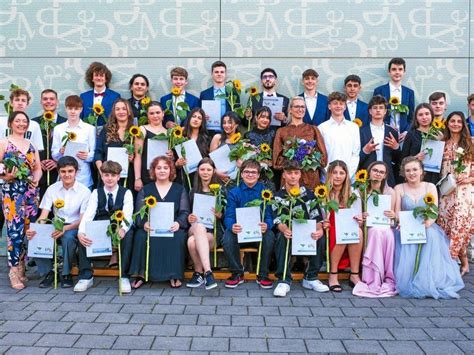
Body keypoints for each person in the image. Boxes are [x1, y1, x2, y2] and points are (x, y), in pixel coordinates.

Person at [393, 157, 464, 299]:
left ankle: (428, 278)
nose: (411, 173)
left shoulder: (429, 186)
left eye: (415, 169)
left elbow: (433, 211)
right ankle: (409, 276)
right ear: (403, 172)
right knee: (401, 236)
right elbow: (396, 212)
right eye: (408, 170)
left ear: (421, 171)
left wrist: (427, 224)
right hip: (406, 226)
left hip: (426, 225)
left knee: (431, 235)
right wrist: (402, 223)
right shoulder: (399, 188)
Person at [26, 156, 90, 288]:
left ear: (76, 172)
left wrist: (65, 229)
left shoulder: (84, 191)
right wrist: (36, 229)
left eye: (70, 171)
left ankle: (66, 274)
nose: (67, 175)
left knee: (68, 238)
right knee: (33, 237)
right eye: (63, 171)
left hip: (74, 225)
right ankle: (49, 272)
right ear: (59, 172)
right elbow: (43, 216)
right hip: (55, 224)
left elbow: (82, 220)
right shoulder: (52, 189)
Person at [129, 156, 190, 288]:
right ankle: (141, 274)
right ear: (153, 171)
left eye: (165, 168)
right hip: (151, 227)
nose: (162, 171)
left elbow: (185, 212)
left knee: (178, 236)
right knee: (140, 236)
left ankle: (174, 274)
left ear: (171, 170)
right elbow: (138, 212)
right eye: (159, 168)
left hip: (171, 226)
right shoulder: (146, 189)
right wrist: (144, 223)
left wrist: (178, 223)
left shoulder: (179, 189)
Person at [273, 161, 329, 297]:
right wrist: (284, 229)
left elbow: (316, 217)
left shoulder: (309, 195)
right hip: (289, 233)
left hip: (306, 233)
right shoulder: (278, 196)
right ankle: (284, 280)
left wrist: (319, 230)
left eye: (296, 173)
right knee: (281, 237)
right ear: (284, 175)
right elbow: (277, 219)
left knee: (320, 236)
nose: (293, 176)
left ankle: (311, 277)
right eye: (289, 173)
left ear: (300, 175)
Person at [76, 161, 134, 292]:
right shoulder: (96, 193)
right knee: (83, 234)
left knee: (129, 235)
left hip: (119, 225)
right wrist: (81, 231)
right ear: (101, 176)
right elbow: (89, 214)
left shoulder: (126, 193)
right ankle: (86, 276)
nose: (109, 178)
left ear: (119, 177)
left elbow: (128, 214)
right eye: (106, 175)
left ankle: (124, 276)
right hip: (101, 225)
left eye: (113, 175)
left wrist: (123, 229)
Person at [0, 111, 42, 289]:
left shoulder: (31, 144)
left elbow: (38, 168)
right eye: (17, 121)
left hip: (30, 193)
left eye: (24, 121)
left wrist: (36, 179)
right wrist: (6, 176)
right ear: (10, 123)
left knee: (27, 229)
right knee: (14, 231)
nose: (21, 124)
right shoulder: (4, 143)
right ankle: (13, 270)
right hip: (11, 192)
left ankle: (22, 266)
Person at [222, 159, 275, 288]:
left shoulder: (265, 193)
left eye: (253, 172)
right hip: (240, 231)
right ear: (241, 174)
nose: (250, 175)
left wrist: (267, 224)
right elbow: (229, 215)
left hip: (259, 231)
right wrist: (232, 225)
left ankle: (263, 274)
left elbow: (269, 215)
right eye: (246, 172)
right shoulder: (234, 192)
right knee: (227, 238)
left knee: (270, 236)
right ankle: (237, 273)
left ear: (258, 175)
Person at [353, 161, 398, 298]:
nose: (378, 174)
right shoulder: (360, 190)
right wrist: (361, 216)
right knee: (376, 232)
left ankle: (386, 275)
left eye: (381, 172)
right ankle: (373, 276)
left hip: (385, 226)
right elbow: (355, 214)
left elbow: (395, 217)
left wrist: (393, 215)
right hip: (368, 226)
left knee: (388, 234)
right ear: (369, 172)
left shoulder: (390, 192)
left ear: (385, 176)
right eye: (375, 170)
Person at [437, 112, 473, 276]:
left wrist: (468, 178)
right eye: (452, 121)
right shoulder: (442, 143)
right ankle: (464, 264)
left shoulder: (470, 144)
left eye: (459, 121)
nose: (456, 124)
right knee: (448, 228)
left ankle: (450, 265)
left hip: (465, 193)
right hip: (446, 193)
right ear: (447, 123)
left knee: (460, 227)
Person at [273, 97, 327, 190]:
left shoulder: (313, 129)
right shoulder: (281, 131)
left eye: (302, 107)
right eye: (297, 106)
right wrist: (294, 156)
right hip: (290, 177)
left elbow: (323, 157)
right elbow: (276, 160)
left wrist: (309, 155)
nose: (300, 109)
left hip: (310, 177)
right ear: (290, 110)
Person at [325, 160, 363, 293]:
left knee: (357, 232)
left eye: (342, 173)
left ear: (346, 175)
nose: (338, 176)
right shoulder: (323, 192)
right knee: (344, 232)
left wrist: (359, 219)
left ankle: (354, 274)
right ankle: (333, 275)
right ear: (329, 174)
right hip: (329, 227)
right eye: (334, 172)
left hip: (348, 225)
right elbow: (320, 216)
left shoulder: (353, 193)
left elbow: (358, 215)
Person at [186, 158, 221, 290]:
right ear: (198, 171)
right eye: (202, 169)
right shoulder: (192, 191)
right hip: (194, 227)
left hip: (212, 232)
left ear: (213, 172)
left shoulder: (220, 191)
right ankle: (208, 272)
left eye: (208, 170)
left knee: (191, 242)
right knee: (199, 226)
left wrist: (219, 215)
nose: (205, 172)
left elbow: (227, 215)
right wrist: (189, 217)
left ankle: (198, 273)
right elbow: (187, 214)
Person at [51, 95, 96, 189]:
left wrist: (87, 156)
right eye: (70, 108)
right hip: (64, 179)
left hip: (83, 178)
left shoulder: (89, 129)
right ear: (66, 109)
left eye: (76, 108)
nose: (73, 111)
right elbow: (54, 155)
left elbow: (94, 153)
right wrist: (60, 152)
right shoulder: (58, 129)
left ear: (81, 109)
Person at [32, 89, 68, 196]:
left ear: (57, 102)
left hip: (59, 174)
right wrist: (37, 163)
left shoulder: (65, 123)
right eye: (45, 99)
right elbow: (28, 146)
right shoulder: (33, 123)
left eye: (52, 99)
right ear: (41, 102)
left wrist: (58, 163)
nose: (48, 101)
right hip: (39, 175)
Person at [359, 95, 400, 187]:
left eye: (381, 108)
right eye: (375, 108)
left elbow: (397, 160)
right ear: (370, 111)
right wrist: (365, 151)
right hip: (366, 175)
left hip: (387, 176)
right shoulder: (360, 131)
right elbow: (355, 158)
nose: (378, 110)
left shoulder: (392, 132)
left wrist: (396, 147)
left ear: (385, 111)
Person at [94, 99, 135, 190]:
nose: (121, 112)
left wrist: (132, 158)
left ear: (129, 112)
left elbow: (140, 155)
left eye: (124, 109)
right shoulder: (106, 130)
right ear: (114, 112)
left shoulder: (135, 131)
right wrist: (102, 172)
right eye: (117, 109)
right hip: (108, 178)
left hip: (128, 178)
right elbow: (98, 153)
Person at [318, 92, 360, 179]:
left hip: (348, 176)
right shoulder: (322, 128)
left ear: (345, 107)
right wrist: (329, 173)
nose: (338, 106)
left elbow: (355, 154)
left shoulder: (353, 127)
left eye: (341, 104)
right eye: (335, 103)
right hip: (326, 177)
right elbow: (319, 154)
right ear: (329, 106)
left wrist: (347, 174)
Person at [373, 57, 415, 141]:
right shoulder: (379, 90)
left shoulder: (409, 92)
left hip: (403, 136)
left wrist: (407, 131)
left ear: (404, 72)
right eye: (394, 69)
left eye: (400, 69)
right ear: (389, 71)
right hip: (384, 134)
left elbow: (412, 116)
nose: (397, 72)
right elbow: (374, 113)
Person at [133, 102, 172, 191]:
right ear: (147, 115)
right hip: (146, 175)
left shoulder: (169, 133)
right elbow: (138, 155)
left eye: (158, 113)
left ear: (163, 114)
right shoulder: (142, 129)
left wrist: (171, 155)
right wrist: (137, 178)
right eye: (151, 113)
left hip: (163, 176)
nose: (155, 116)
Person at [401, 103, 440, 184]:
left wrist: (440, 141)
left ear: (432, 115)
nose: (424, 117)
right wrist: (415, 158)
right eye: (420, 115)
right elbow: (402, 159)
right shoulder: (411, 134)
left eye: (427, 114)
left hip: (435, 177)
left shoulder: (439, 134)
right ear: (416, 118)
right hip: (416, 177)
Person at [200, 61, 239, 134]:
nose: (219, 74)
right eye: (216, 72)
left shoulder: (233, 93)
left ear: (225, 74)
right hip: (209, 133)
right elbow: (199, 114)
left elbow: (237, 114)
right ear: (212, 74)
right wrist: (203, 117)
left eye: (222, 72)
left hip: (229, 133)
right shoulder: (204, 94)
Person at [175, 108, 210, 188]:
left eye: (199, 118)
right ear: (189, 118)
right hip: (182, 178)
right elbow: (173, 160)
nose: (196, 120)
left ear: (202, 122)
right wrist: (177, 164)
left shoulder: (206, 139)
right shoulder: (179, 137)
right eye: (194, 116)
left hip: (200, 179)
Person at [80, 61, 121, 127]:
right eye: (96, 75)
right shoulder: (83, 97)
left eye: (101, 75)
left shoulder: (115, 96)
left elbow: (117, 118)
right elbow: (80, 119)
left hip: (107, 133)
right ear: (92, 79)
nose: (99, 78)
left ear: (106, 79)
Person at [245, 106, 277, 190]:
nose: (265, 120)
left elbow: (277, 152)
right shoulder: (248, 135)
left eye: (267, 117)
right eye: (262, 117)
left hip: (270, 173)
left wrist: (270, 162)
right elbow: (245, 156)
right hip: (253, 173)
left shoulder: (274, 134)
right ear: (256, 118)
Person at [209, 111, 241, 185]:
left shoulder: (241, 141)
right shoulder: (218, 138)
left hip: (235, 179)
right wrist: (216, 172)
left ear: (236, 124)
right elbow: (211, 161)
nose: (226, 125)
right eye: (224, 123)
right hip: (218, 177)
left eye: (230, 122)